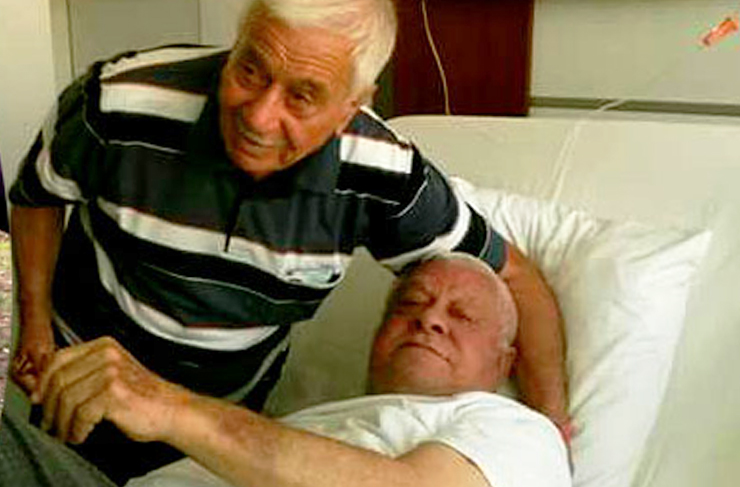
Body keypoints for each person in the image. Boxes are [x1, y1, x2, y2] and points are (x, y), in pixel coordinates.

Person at [8, 0, 570, 481]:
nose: (258, 116)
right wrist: (35, 326)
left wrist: (552, 427)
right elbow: (38, 193)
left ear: (353, 104)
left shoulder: (383, 176)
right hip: (78, 385)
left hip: (218, 428)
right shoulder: (118, 100)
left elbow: (513, 276)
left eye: (302, 96)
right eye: (250, 69)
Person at [1, 254, 571, 487]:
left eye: (462, 314)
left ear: (505, 362)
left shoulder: (518, 431)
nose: (429, 320)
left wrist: (167, 406)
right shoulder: (305, 425)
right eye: (410, 304)